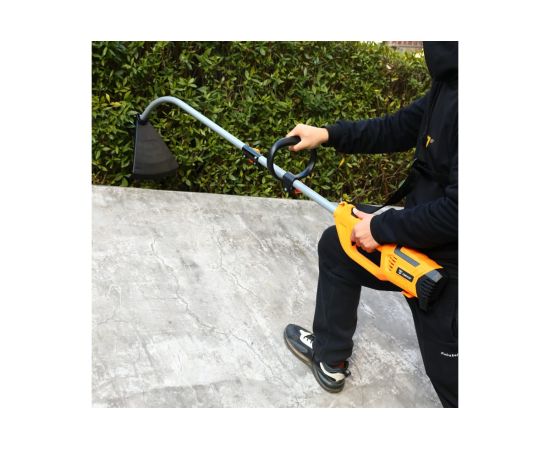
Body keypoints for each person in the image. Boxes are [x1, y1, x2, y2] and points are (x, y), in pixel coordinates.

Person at [283, 41, 458, 407]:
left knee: (454, 384)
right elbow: (396, 127)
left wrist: (381, 228)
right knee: (339, 245)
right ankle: (330, 358)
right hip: (425, 235)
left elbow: (458, 212)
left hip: (448, 267)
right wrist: (328, 134)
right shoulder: (448, 85)